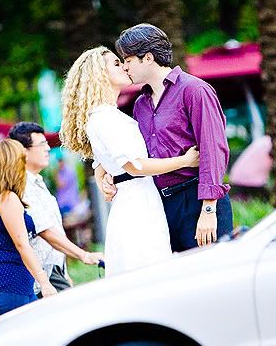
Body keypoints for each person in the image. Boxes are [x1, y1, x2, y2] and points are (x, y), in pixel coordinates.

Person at [60, 46, 199, 275]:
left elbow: (104, 161)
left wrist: (103, 175)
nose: (124, 66)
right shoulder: (105, 118)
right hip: (137, 206)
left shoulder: (107, 116)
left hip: (138, 199)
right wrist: (184, 161)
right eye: (116, 63)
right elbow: (135, 166)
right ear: (100, 74)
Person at [100, 23, 234, 251]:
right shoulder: (140, 105)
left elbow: (213, 150)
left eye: (128, 60)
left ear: (148, 57)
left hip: (197, 199)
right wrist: (109, 175)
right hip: (161, 206)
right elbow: (140, 157)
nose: (124, 66)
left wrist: (209, 209)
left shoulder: (194, 90)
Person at [8, 122, 103, 293]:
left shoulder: (38, 181)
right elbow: (45, 231)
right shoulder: (23, 187)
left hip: (55, 268)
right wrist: (84, 255)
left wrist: (64, 272)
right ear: (23, 152)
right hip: (44, 273)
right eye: (41, 144)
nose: (47, 149)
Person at [0, 139, 57, 317]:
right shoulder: (8, 198)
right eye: (23, 159)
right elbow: (22, 244)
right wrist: (44, 282)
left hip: (3, 282)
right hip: (11, 282)